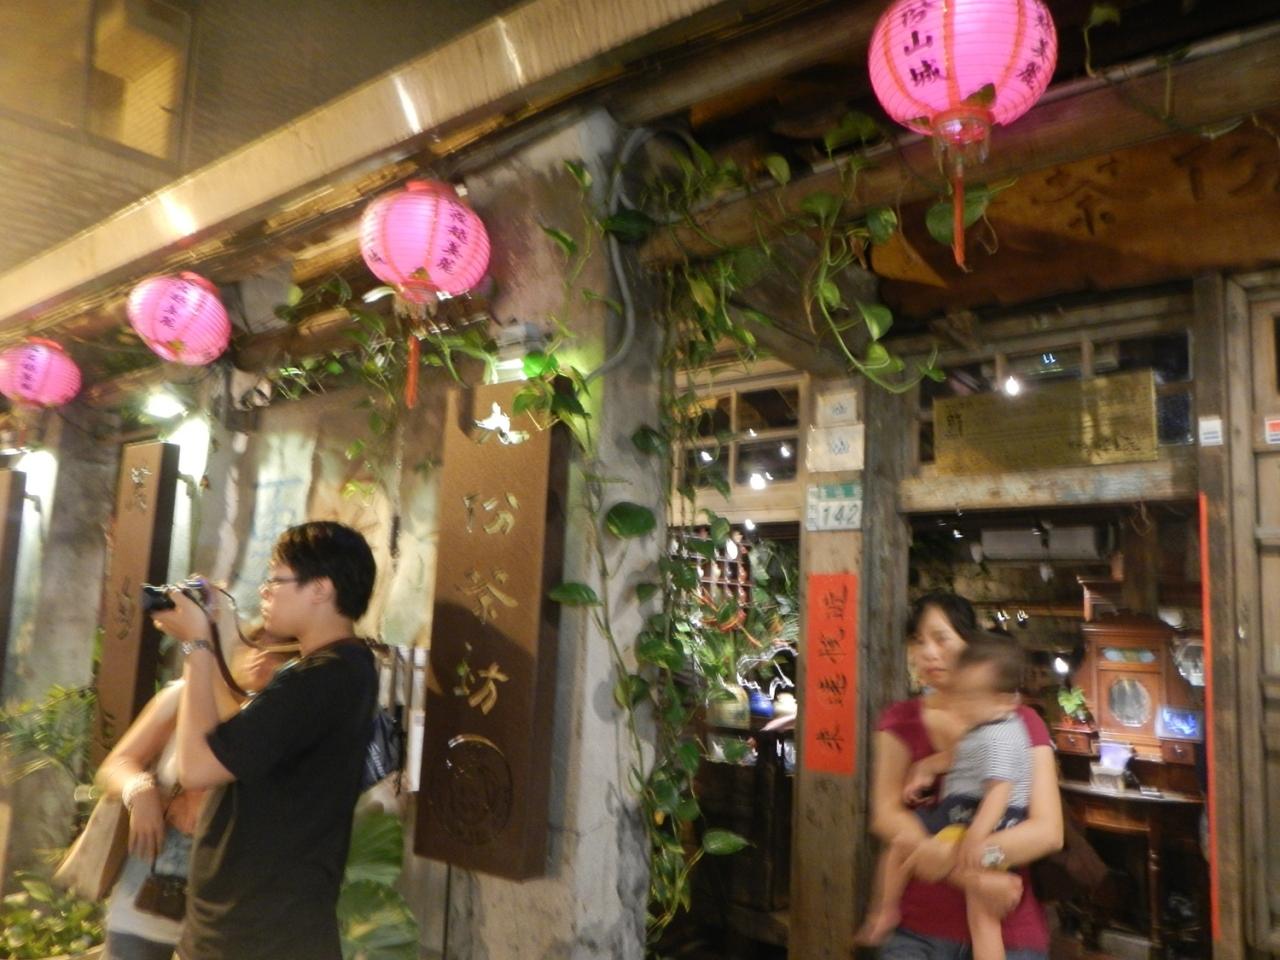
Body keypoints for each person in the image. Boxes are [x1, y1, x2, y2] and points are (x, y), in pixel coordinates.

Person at [152, 521, 379, 960]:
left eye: (276, 580)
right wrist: (214, 629)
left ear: (320, 589)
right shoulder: (332, 670)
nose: (264, 591)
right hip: (247, 931)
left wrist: (195, 646)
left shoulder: (325, 677)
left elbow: (196, 767)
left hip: (257, 936)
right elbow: (231, 732)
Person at [869, 591, 1063, 960]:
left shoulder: (1020, 721)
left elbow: (1048, 832)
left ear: (972, 646)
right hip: (921, 926)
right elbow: (886, 815)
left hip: (1011, 927)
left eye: (941, 639)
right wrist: (968, 875)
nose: (928, 652)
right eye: (918, 641)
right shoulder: (901, 720)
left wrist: (956, 856)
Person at [95, 635, 288, 960]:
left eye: (279, 652)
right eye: (255, 644)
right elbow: (116, 764)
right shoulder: (184, 696)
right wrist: (139, 789)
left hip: (227, 908)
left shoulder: (285, 727)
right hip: (147, 889)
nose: (261, 656)